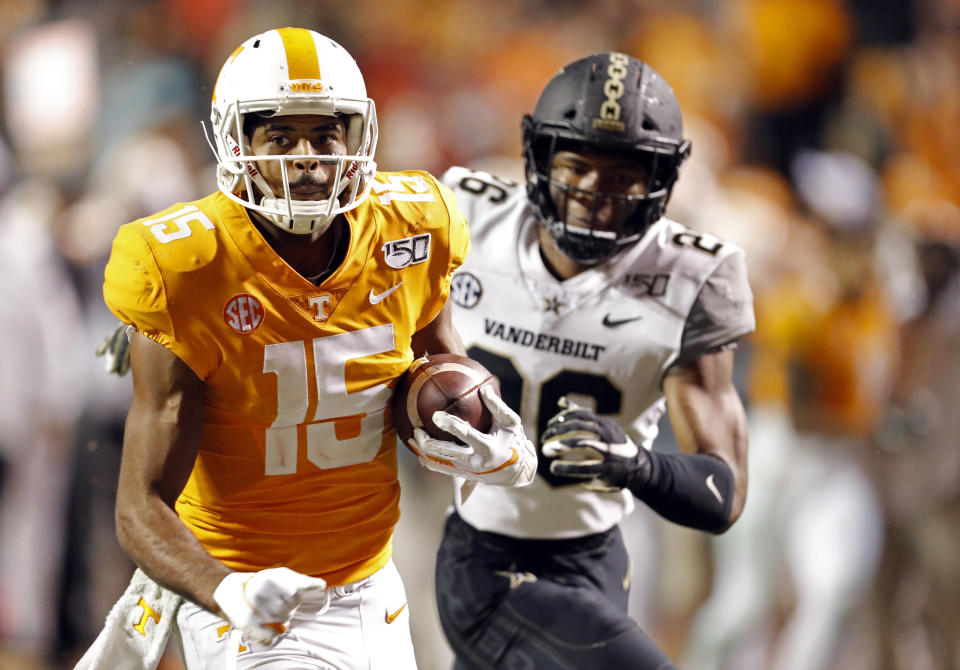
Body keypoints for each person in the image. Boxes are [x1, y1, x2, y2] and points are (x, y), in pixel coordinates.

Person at [79, 27, 535, 670]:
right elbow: (139, 505)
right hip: (244, 595)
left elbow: (439, 377)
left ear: (355, 137)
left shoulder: (412, 227)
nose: (309, 158)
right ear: (237, 143)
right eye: (281, 137)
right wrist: (225, 589)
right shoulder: (184, 266)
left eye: (325, 135)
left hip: (371, 583)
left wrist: (491, 444)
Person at [428, 53, 755, 669]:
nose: (594, 195)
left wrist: (636, 465)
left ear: (659, 178)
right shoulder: (465, 219)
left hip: (598, 560)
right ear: (540, 159)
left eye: (622, 176)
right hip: (487, 564)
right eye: (577, 167)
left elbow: (723, 492)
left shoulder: (692, 278)